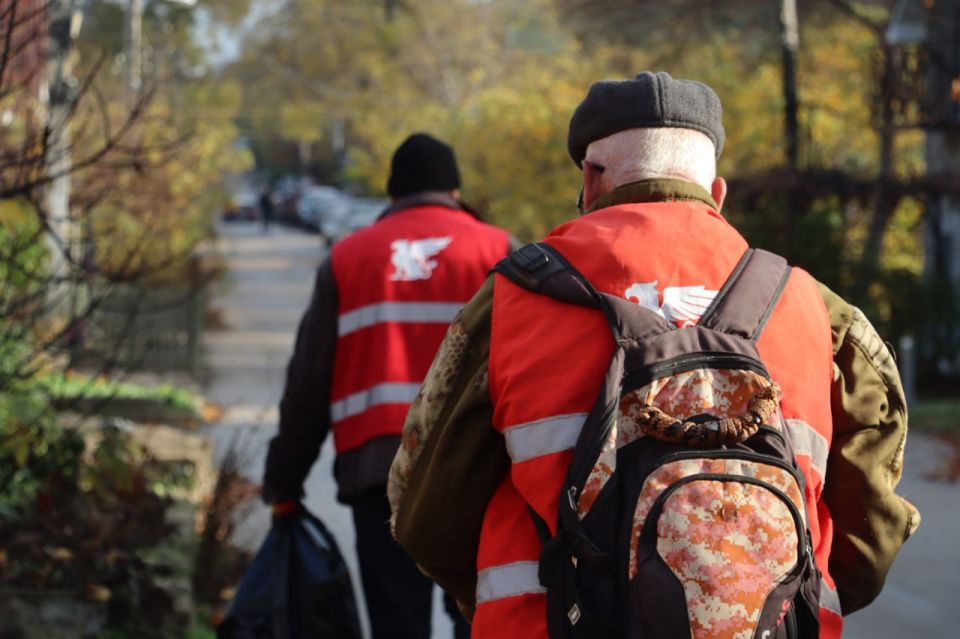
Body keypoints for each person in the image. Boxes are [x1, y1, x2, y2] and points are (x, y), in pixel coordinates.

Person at [388, 73, 919, 639]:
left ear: (590, 180)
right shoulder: (814, 306)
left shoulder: (513, 298)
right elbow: (871, 519)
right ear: (716, 193)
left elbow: (425, 512)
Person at [262, 133, 518, 639]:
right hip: (476, 472)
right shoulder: (499, 250)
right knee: (480, 617)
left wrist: (284, 482)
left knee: (396, 622)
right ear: (454, 189)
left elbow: (309, 382)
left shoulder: (348, 257)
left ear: (392, 193)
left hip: (377, 469)